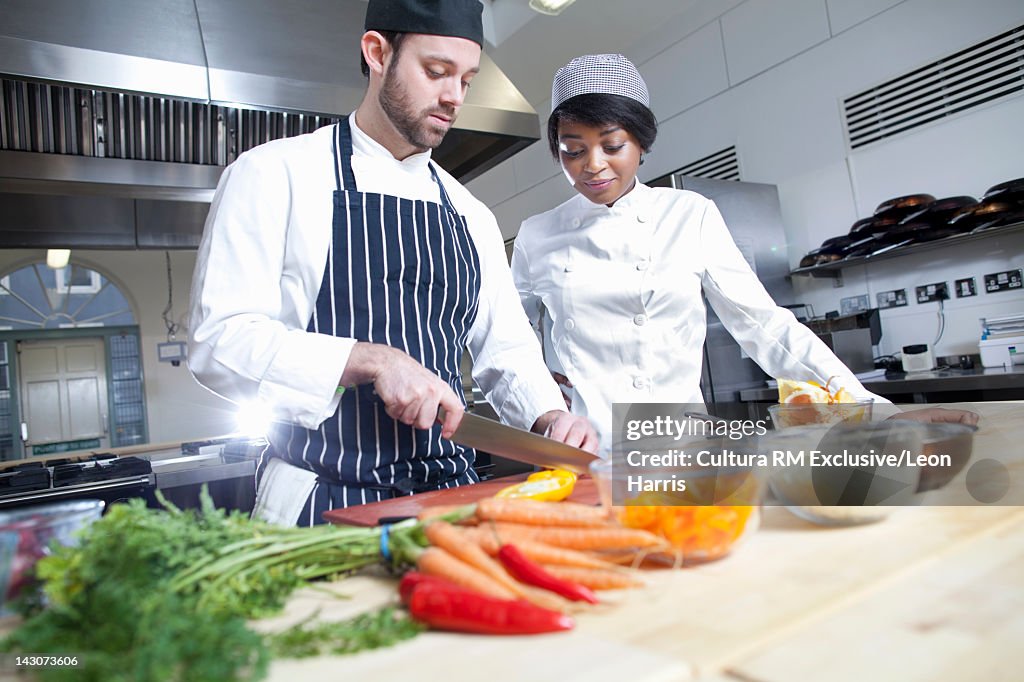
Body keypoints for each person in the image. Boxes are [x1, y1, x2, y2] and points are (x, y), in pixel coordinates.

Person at [188, 0, 597, 527]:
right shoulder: (274, 175)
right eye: (436, 71)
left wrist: (549, 417)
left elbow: (508, 349)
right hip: (324, 501)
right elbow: (219, 342)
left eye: (467, 80)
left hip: (450, 501)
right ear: (378, 53)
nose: (453, 97)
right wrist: (370, 359)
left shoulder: (470, 214)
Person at [511, 54, 975, 455]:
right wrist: (542, 392)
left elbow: (761, 323)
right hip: (581, 451)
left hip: (681, 443)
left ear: (642, 144)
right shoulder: (538, 235)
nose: (592, 165)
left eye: (612, 146)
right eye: (572, 151)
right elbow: (509, 339)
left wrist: (869, 408)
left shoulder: (688, 214)